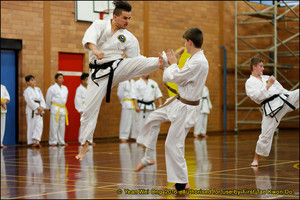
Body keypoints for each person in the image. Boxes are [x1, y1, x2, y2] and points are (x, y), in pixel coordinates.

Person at [76, 0, 184, 161]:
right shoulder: (99, 25)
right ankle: (85, 143)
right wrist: (96, 49)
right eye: (125, 18)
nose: (127, 21)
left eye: (129, 18)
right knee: (89, 111)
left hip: (117, 66)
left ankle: (165, 61)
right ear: (115, 17)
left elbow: (136, 59)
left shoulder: (128, 37)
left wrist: (153, 64)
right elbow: (89, 40)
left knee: (139, 62)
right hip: (98, 75)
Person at [135, 27, 209, 192]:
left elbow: (176, 77)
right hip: (178, 102)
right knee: (153, 118)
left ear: (189, 42)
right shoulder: (193, 58)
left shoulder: (199, 61)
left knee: (173, 144)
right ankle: (149, 157)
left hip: (186, 107)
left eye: (185, 42)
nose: (184, 44)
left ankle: (182, 183)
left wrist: (173, 63)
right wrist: (167, 65)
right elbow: (180, 76)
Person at [245, 57, 299, 166]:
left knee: (298, 93)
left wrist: (290, 96)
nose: (263, 68)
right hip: (270, 108)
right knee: (265, 134)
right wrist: (268, 85)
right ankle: (256, 159)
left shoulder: (267, 77)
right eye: (261, 66)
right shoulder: (250, 82)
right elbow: (256, 96)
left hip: (282, 100)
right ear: (254, 67)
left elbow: (281, 90)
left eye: (263, 66)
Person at [135, 74, 163, 143]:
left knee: (152, 123)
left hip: (151, 106)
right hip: (141, 106)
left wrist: (160, 104)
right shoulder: (137, 83)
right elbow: (134, 96)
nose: (148, 74)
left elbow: (158, 94)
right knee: (140, 123)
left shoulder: (153, 83)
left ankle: (150, 139)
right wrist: (136, 106)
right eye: (146, 73)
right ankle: (139, 139)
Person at [46, 73, 69, 147]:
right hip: (55, 108)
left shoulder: (65, 88)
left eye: (62, 78)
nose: (62, 79)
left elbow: (65, 99)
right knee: (54, 125)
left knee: (62, 126)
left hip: (63, 108)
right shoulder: (52, 88)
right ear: (55, 79)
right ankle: (53, 141)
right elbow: (48, 98)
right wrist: (49, 107)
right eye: (60, 78)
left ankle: (61, 141)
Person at [23, 75, 46, 148]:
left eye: (34, 80)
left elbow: (42, 99)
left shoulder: (38, 89)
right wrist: (37, 107)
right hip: (31, 110)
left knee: (39, 125)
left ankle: (37, 141)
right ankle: (31, 142)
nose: (34, 81)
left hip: (39, 109)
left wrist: (42, 107)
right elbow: (29, 101)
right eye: (32, 80)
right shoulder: (26, 91)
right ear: (27, 82)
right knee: (31, 125)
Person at [74, 73, 96, 146]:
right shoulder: (79, 89)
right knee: (84, 124)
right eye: (87, 79)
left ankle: (89, 139)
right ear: (82, 80)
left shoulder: (90, 88)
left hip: (90, 108)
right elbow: (77, 100)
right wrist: (80, 109)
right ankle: (83, 140)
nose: (88, 81)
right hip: (83, 108)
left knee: (91, 124)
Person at [1, 84, 10, 149]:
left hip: (2, 109)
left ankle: (0, 142)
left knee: (2, 126)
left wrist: (3, 102)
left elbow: (7, 97)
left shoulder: (3, 87)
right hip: (2, 105)